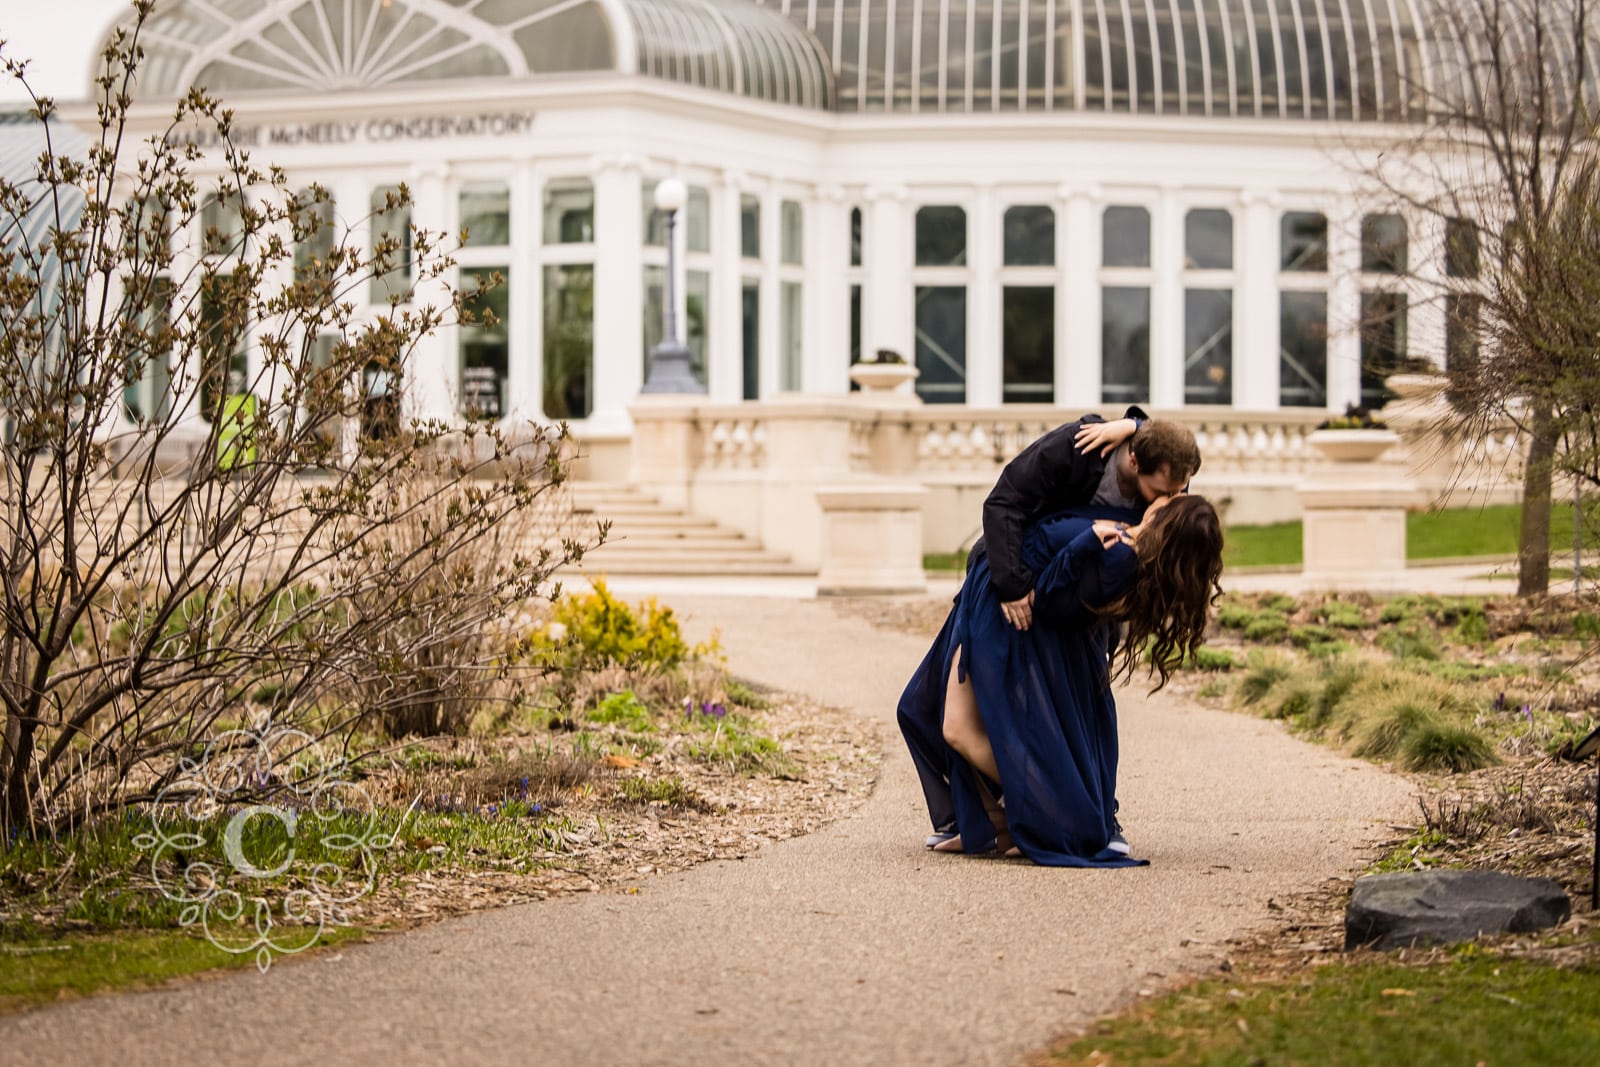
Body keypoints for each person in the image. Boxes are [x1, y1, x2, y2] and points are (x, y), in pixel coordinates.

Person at [897, 494, 1224, 867]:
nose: (1165, 497)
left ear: (1167, 523)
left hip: (1001, 612)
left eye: (1173, 500)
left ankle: (1055, 814)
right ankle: (1004, 821)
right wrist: (1132, 429)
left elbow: (1053, 597)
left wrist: (1086, 541)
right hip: (993, 602)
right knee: (953, 722)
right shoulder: (1124, 540)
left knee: (958, 728)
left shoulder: (1118, 551)